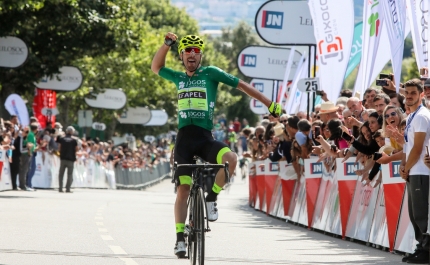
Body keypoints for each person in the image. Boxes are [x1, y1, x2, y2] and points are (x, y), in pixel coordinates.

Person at [151, 33, 282, 257]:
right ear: (181, 56)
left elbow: (241, 85)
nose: (192, 54)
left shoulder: (210, 73)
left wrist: (269, 103)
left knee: (231, 160)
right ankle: (180, 239)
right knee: (183, 189)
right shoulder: (178, 77)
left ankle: (211, 198)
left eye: (196, 51)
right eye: (187, 51)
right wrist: (166, 45)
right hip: (184, 141)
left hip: (204, 138)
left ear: (200, 55)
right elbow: (156, 67)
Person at [399, 79, 430, 263]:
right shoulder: (411, 116)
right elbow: (407, 147)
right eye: (407, 93)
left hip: (422, 171)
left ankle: (426, 251)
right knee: (414, 213)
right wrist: (404, 168)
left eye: (413, 93)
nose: (409, 96)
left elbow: (418, 148)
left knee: (421, 213)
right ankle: (421, 247)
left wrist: (406, 168)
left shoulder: (422, 116)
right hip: (413, 171)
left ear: (421, 95)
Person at [57, 126, 78, 193]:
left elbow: (59, 148)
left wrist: (61, 153)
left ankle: (60, 188)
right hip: (71, 159)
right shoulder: (74, 140)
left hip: (63, 158)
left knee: (61, 174)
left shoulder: (62, 138)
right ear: (72, 132)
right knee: (69, 174)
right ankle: (67, 188)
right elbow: (76, 149)